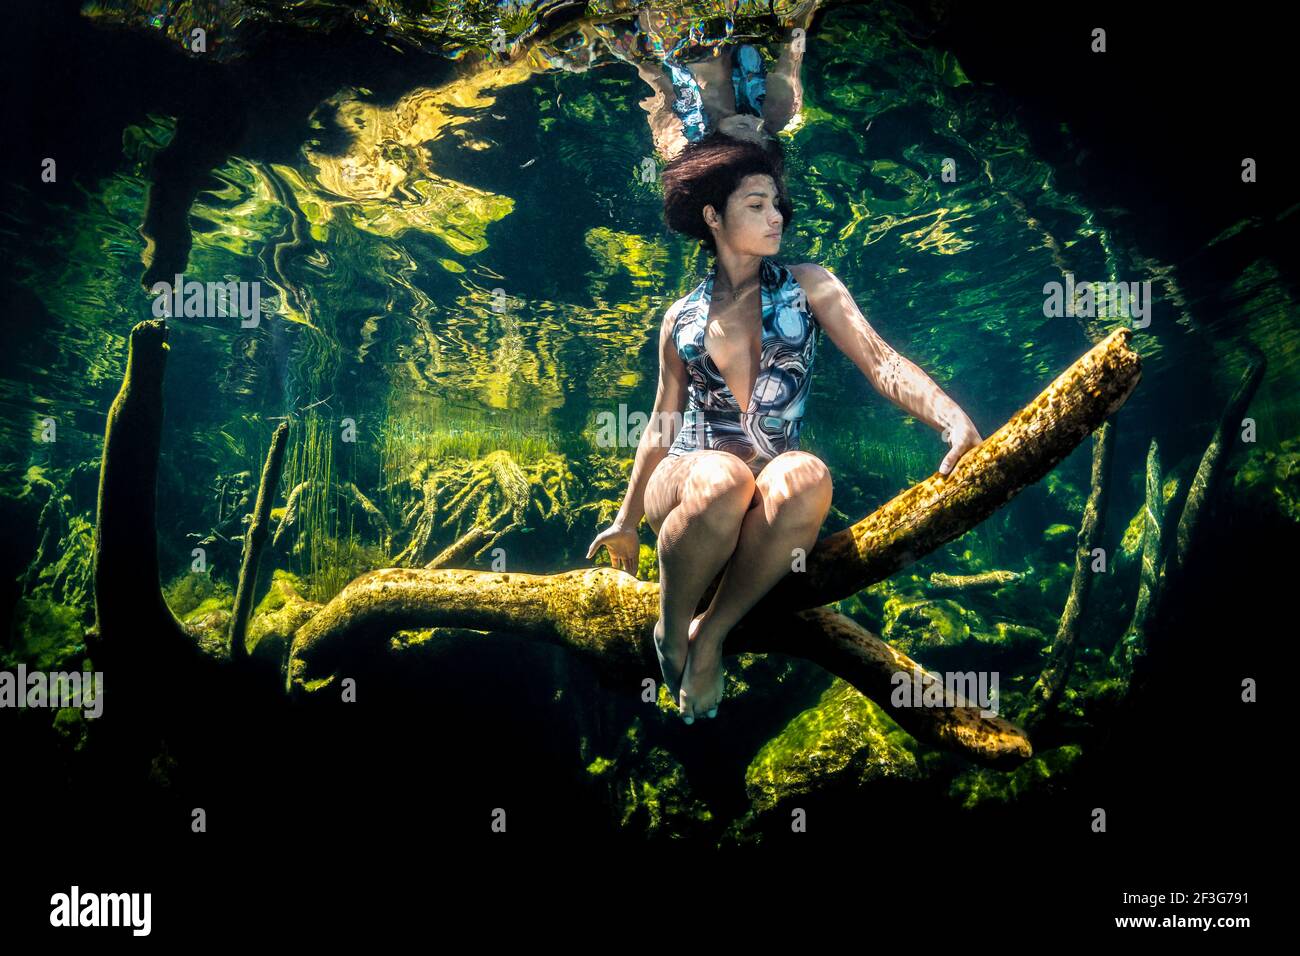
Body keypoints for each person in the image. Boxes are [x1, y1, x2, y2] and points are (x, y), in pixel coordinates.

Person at [586, 127, 982, 727]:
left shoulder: (810, 286)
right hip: (688, 477)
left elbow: (881, 361)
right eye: (756, 205)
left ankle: (709, 633)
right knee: (720, 478)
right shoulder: (680, 319)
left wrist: (952, 420)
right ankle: (671, 624)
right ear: (714, 216)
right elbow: (661, 423)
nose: (776, 217)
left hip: (764, 480)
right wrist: (626, 522)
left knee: (807, 475)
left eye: (777, 204)